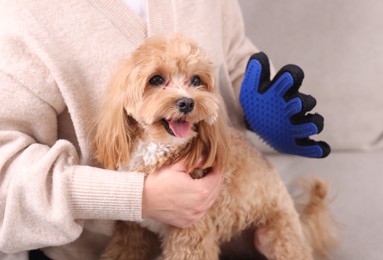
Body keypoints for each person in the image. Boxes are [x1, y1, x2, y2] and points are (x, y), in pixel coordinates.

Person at [0, 0, 325, 259]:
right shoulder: (22, 14)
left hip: (227, 233)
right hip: (85, 249)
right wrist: (134, 197)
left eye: (194, 83)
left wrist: (251, 101)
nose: (183, 95)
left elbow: (234, 57)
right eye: (158, 81)